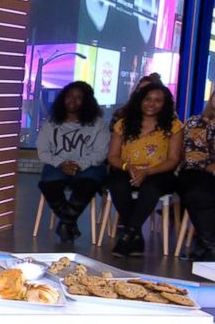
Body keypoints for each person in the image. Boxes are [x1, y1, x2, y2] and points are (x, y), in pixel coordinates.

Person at [105, 82, 183, 257]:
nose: (152, 104)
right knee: (117, 184)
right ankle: (136, 235)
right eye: (148, 99)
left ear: (165, 104)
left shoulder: (174, 126)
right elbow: (113, 156)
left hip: (160, 173)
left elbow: (174, 160)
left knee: (151, 188)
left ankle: (128, 233)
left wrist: (147, 172)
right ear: (140, 100)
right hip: (127, 169)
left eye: (158, 100)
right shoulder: (123, 124)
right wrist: (129, 167)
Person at [35, 81, 108, 242]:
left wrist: (79, 164)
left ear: (87, 101)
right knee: (48, 183)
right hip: (58, 165)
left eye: (78, 97)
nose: (72, 101)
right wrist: (62, 163)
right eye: (69, 96)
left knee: (88, 182)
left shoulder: (98, 125)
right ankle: (69, 223)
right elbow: (43, 152)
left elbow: (100, 153)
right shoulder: (51, 124)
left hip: (88, 166)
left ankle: (65, 223)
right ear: (63, 98)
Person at [177, 88, 215, 260]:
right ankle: (209, 244)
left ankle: (207, 245)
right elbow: (191, 156)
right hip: (198, 171)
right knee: (197, 194)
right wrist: (211, 167)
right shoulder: (195, 123)